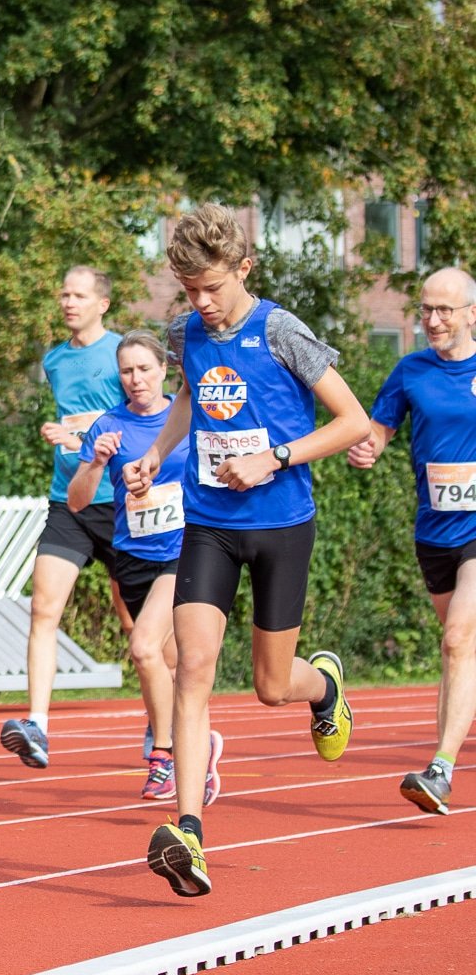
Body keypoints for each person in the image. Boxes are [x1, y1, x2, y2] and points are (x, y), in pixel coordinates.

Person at [123, 202, 369, 898]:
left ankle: (323, 687)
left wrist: (276, 457)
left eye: (212, 288)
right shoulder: (185, 333)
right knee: (191, 667)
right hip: (208, 521)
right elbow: (189, 401)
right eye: (189, 290)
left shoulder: (281, 330)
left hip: (282, 521)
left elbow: (351, 420)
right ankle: (190, 832)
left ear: (244, 268)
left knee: (269, 685)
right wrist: (154, 455)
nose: (200, 303)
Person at [67, 331, 223, 805]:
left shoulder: (190, 417)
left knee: (143, 647)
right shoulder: (108, 427)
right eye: (127, 371)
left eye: (144, 369)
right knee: (170, 665)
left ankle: (165, 754)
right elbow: (76, 501)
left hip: (184, 549)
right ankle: (202, 744)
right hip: (133, 557)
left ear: (165, 370)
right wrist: (95, 462)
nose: (136, 379)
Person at [348, 267, 476, 816]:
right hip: (435, 530)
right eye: (426, 309)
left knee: (457, 639)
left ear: (472, 313)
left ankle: (441, 768)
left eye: (446, 309)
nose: (434, 320)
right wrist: (368, 448)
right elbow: (379, 430)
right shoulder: (410, 370)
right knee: (459, 652)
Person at [0, 266, 131, 768]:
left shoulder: (123, 355)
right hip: (69, 501)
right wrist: (62, 437)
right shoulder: (54, 359)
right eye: (64, 293)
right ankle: (37, 724)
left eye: (78, 295)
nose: (68, 302)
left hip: (120, 504)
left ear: (102, 303)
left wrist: (79, 438)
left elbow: (137, 421)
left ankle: (167, 726)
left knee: (135, 626)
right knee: (43, 610)